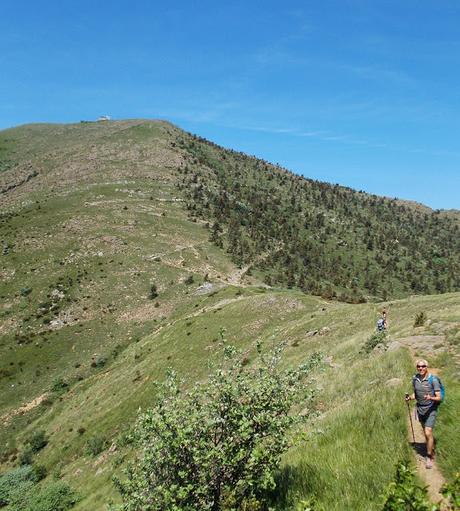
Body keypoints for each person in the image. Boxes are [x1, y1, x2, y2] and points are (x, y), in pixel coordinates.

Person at [405, 359, 442, 469]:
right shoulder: (415, 379)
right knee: (426, 432)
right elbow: (416, 394)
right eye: (418, 366)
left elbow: (439, 397)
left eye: (423, 366)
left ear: (427, 367)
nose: (421, 368)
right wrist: (409, 398)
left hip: (431, 409)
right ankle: (430, 446)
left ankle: (429, 456)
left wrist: (430, 397)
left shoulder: (433, 380)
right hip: (420, 409)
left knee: (427, 431)